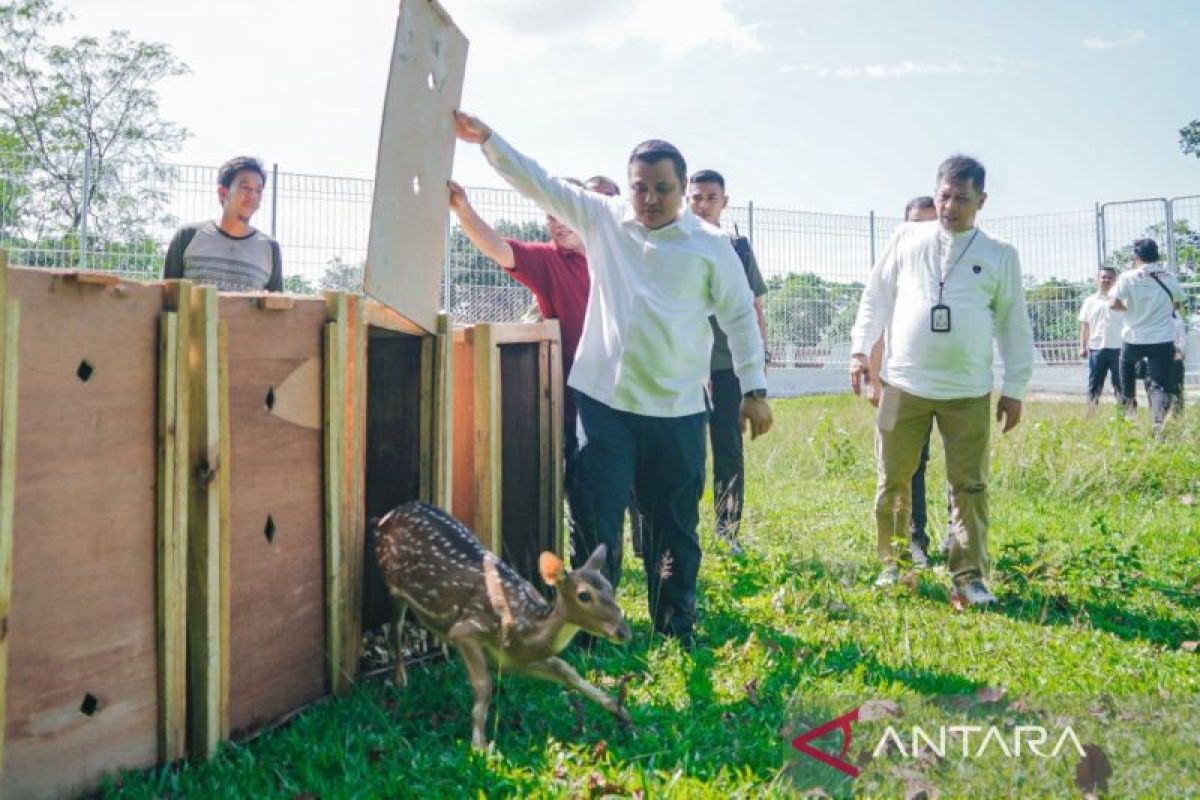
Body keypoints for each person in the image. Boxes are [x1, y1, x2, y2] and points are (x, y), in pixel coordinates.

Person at [453, 110, 771, 641]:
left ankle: (675, 624)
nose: (649, 199)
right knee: (596, 523)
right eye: (640, 187)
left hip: (677, 410)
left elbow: (739, 317)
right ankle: (595, 628)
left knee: (674, 525)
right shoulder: (603, 219)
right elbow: (540, 182)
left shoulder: (711, 247)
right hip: (605, 405)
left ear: (682, 188)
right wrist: (488, 140)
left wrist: (755, 390)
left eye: (662, 189)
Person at [849, 155, 1033, 607]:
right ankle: (895, 567)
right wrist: (860, 349)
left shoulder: (999, 254)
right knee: (892, 479)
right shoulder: (907, 237)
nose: (950, 206)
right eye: (944, 196)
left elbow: (1013, 324)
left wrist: (1015, 387)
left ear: (982, 201)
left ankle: (969, 576)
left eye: (962, 198)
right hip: (901, 384)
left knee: (969, 485)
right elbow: (876, 295)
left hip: (967, 391)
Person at [687, 169, 768, 553]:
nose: (702, 205)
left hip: (728, 367)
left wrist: (758, 363)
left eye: (711, 198)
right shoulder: (675, 242)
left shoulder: (737, 247)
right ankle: (682, 526)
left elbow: (754, 306)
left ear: (724, 201)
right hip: (684, 365)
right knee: (686, 451)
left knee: (728, 450)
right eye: (696, 197)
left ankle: (727, 530)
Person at [867, 196, 941, 566]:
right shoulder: (895, 267)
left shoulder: (951, 272)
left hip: (948, 385)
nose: (924, 232)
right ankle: (908, 545)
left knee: (934, 467)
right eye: (916, 223)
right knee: (900, 468)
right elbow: (877, 325)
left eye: (932, 223)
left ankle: (942, 542)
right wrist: (874, 381)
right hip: (899, 382)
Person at [163, 156, 283, 291]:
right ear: (223, 193)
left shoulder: (270, 248)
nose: (253, 196)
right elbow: (167, 298)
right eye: (245, 188)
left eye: (258, 190)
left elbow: (275, 308)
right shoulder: (187, 236)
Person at [1111, 238, 1184, 432]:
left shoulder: (1127, 277)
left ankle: (1129, 415)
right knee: (1159, 384)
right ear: (1156, 255)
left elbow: (1112, 303)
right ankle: (1157, 421)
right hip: (1162, 338)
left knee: (1126, 368)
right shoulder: (1169, 276)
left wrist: (1128, 308)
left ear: (1136, 257)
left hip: (1134, 337)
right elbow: (1177, 303)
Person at [1077, 267, 1124, 411]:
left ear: (1115, 280)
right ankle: (1091, 414)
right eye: (1103, 277)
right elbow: (1085, 325)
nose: (1106, 280)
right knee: (1094, 384)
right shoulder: (1090, 301)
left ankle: (1125, 417)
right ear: (1097, 279)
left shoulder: (1122, 299)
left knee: (1121, 384)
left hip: (1119, 348)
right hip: (1096, 348)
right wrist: (1082, 346)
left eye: (1110, 277)